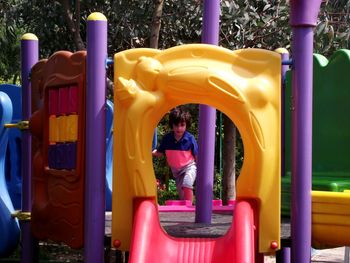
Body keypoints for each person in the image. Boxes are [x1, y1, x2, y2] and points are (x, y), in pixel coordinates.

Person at [152, 106, 198, 203]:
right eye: (176, 125)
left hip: (189, 167)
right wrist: (151, 153)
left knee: (187, 183)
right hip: (176, 172)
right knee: (182, 195)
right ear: (172, 125)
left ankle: (189, 207)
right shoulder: (167, 139)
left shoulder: (189, 139)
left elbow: (197, 155)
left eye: (182, 125)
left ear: (186, 125)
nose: (179, 128)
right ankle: (188, 206)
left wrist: (202, 170)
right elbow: (160, 153)